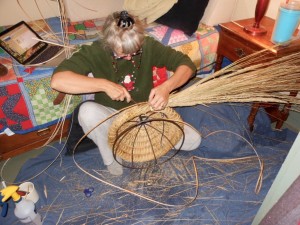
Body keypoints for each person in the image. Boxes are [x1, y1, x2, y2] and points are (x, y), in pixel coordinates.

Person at [51, 11, 201, 176]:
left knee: (193, 140)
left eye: (134, 51)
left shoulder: (148, 45)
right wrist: (104, 85)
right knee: (87, 112)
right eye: (123, 53)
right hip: (112, 118)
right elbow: (58, 81)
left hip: (146, 113)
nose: (130, 57)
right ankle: (112, 155)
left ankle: (139, 139)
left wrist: (166, 87)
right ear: (109, 43)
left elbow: (187, 65)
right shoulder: (95, 51)